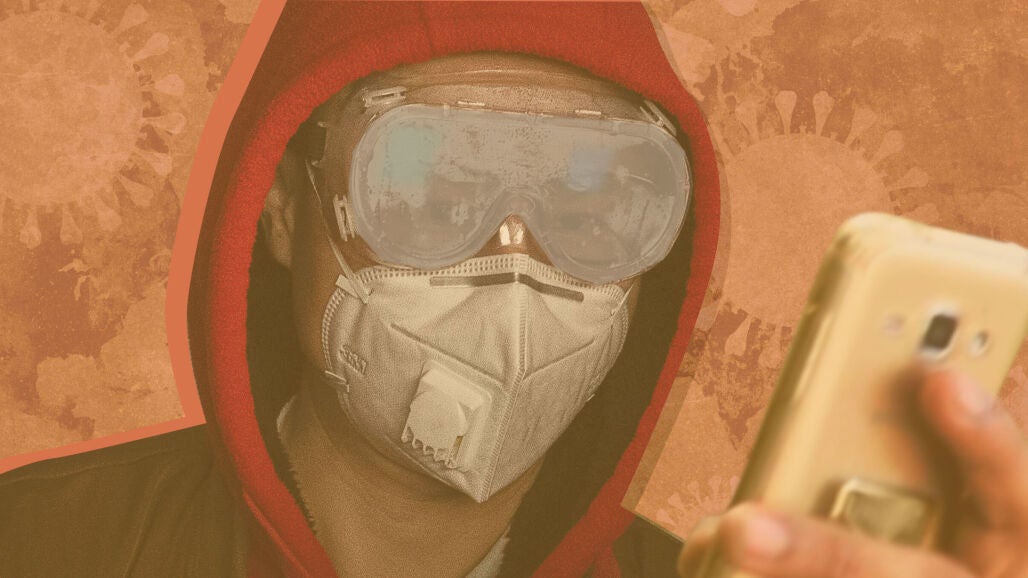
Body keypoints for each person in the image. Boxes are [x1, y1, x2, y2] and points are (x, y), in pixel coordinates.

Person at [2, 3, 1026, 578]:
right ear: (280, 209)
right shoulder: (40, 548)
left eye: (595, 196)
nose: (517, 257)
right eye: (432, 183)